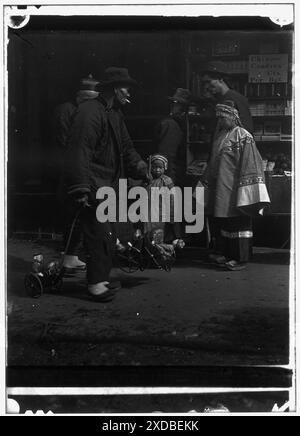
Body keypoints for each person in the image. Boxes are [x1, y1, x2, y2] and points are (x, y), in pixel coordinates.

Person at [64, 67, 148, 301]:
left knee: (107, 234)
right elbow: (79, 150)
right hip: (93, 183)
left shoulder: (113, 113)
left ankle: (91, 273)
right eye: (125, 87)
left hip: (108, 184)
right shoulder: (89, 112)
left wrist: (141, 166)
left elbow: (126, 148)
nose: (128, 91)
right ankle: (96, 284)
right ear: (114, 88)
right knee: (99, 234)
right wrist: (81, 187)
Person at [203, 101, 270, 271]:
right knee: (225, 223)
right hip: (222, 188)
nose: (220, 121)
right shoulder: (220, 136)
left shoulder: (243, 135)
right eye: (219, 118)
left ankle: (240, 258)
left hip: (236, 188)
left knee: (239, 223)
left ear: (233, 117)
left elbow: (251, 162)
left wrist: (246, 187)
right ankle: (227, 254)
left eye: (223, 118)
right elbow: (213, 162)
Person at [54, 74, 100, 271]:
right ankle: (68, 255)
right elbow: (67, 144)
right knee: (74, 212)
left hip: (77, 166)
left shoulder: (78, 111)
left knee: (80, 212)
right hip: (68, 167)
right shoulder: (67, 111)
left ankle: (71, 254)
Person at [142, 154, 184, 247]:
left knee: (159, 235)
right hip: (149, 214)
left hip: (161, 214)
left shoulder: (166, 181)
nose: (157, 170)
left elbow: (172, 199)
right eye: (154, 167)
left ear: (165, 168)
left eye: (160, 167)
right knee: (148, 236)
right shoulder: (148, 180)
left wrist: (172, 213)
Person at [201, 61, 254, 134]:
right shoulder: (220, 99)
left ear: (220, 79)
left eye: (209, 82)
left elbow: (246, 130)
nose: (206, 87)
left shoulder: (235, 98)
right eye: (204, 83)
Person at [156, 88, 192, 186]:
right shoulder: (170, 124)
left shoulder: (176, 124)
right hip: (171, 177)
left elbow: (167, 156)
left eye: (177, 103)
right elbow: (166, 156)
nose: (173, 105)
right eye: (173, 103)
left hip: (174, 176)